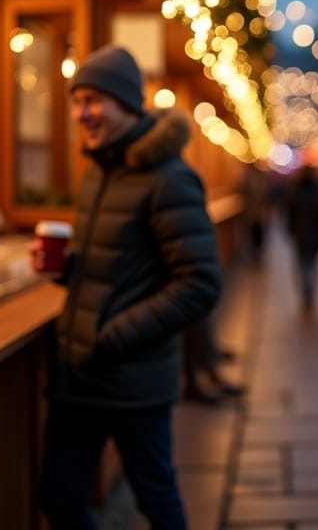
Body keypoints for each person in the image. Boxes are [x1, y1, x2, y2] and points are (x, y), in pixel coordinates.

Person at [36, 44, 221, 530]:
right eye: (77, 102)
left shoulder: (171, 178)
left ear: (127, 103)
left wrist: (115, 335)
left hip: (133, 377)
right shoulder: (97, 171)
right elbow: (118, 265)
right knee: (58, 498)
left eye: (93, 100)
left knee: (156, 501)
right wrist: (68, 270)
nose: (82, 114)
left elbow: (200, 284)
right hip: (79, 375)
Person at [285, 164, 318, 311]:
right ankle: (311, 292)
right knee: (313, 264)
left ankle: (305, 292)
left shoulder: (295, 191)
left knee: (301, 265)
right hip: (315, 234)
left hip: (299, 234)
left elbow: (290, 212)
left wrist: (291, 230)